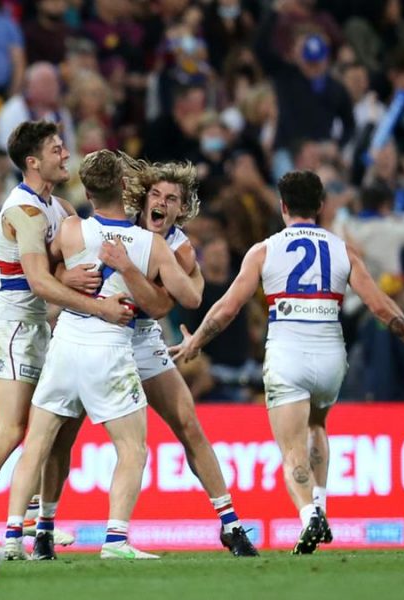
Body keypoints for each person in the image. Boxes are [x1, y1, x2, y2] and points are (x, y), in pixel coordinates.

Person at [172, 171, 404, 554]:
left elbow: (228, 308)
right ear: (320, 206)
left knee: (291, 448)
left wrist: (196, 341)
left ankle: (309, 515)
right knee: (317, 424)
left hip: (287, 352)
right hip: (330, 353)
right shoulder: (343, 250)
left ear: (283, 206)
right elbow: (380, 306)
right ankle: (321, 505)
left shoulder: (264, 250)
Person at [4, 149, 199, 561]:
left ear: (88, 192)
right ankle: (115, 540)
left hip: (65, 344)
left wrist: (66, 275)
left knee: (37, 444)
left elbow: (46, 271)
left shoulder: (71, 229)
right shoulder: (150, 244)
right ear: (125, 187)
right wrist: (137, 270)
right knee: (132, 449)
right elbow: (185, 299)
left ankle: (12, 537)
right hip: (110, 350)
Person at [61, 157, 258, 556]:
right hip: (94, 336)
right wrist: (66, 277)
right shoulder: (116, 222)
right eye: (156, 194)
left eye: (171, 199)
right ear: (143, 197)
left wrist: (132, 273)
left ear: (181, 209)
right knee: (60, 432)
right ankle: (39, 525)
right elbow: (60, 265)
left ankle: (231, 525)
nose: (161, 203)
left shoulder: (180, 247)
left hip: (141, 338)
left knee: (188, 423)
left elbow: (190, 297)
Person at [0, 121, 131, 549]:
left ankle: (33, 520)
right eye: (57, 149)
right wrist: (99, 307)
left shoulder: (59, 208)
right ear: (33, 161)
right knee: (10, 429)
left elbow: (61, 263)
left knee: (55, 428)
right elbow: (39, 281)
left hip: (39, 326)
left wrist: (65, 275)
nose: (66, 155)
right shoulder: (23, 212)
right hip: (11, 324)